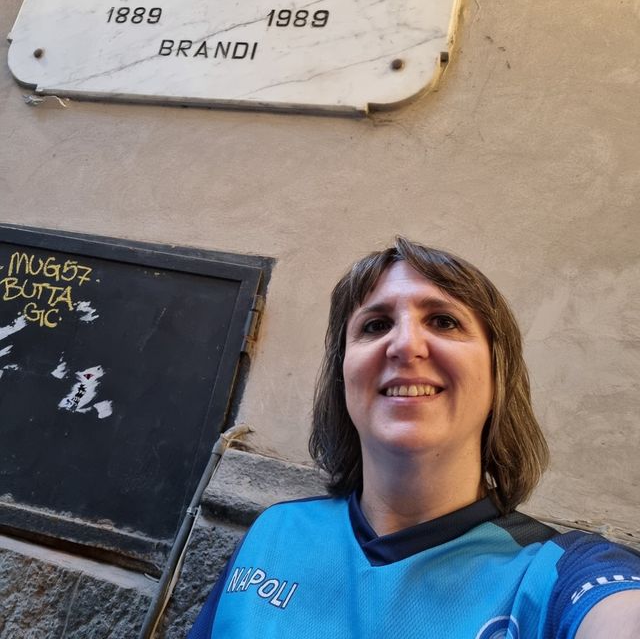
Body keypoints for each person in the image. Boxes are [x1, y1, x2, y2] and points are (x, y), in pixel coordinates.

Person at [188, 237, 640, 638]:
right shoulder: (274, 530)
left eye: (443, 321)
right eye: (375, 325)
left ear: (498, 373)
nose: (405, 345)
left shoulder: (556, 575)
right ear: (343, 377)